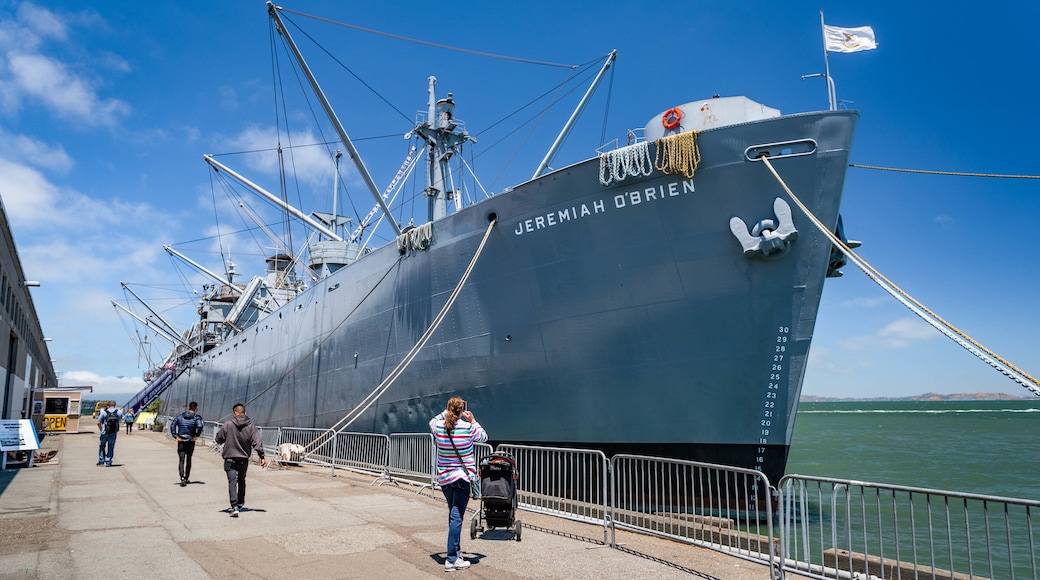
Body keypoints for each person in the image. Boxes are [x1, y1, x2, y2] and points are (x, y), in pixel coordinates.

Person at [429, 396, 487, 572]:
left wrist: (448, 412)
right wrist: (473, 420)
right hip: (462, 478)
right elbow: (484, 437)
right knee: (456, 517)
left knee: (453, 515)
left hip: (445, 480)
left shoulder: (439, 427)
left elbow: (432, 420)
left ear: (448, 410)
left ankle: (455, 552)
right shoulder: (468, 428)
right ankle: (452, 559)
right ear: (462, 410)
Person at [214, 403, 267, 517]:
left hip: (230, 458)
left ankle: (234, 506)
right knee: (241, 480)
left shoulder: (228, 424)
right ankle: (240, 502)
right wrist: (262, 456)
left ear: (234, 413)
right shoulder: (251, 426)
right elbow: (257, 442)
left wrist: (221, 440)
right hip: (243, 459)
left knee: (232, 482)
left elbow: (219, 438)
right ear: (245, 413)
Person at [171, 402, 204, 486]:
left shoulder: (180, 416)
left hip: (181, 440)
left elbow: (172, 425)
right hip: (190, 440)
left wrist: (175, 436)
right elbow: (200, 426)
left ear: (188, 407)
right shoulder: (197, 418)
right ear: (197, 408)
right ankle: (186, 477)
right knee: (189, 459)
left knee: (181, 460)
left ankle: (182, 477)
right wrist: (197, 435)